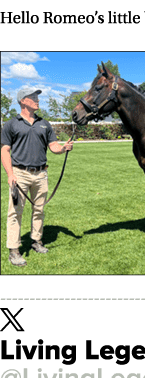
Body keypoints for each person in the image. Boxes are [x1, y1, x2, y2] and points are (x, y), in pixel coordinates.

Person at [1, 86, 73, 267]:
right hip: (19, 175)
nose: (37, 99)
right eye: (33, 97)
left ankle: (36, 241)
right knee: (15, 213)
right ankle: (14, 250)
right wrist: (10, 174)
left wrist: (63, 148)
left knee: (39, 210)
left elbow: (53, 146)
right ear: (23, 100)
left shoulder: (44, 124)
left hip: (41, 174)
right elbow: (4, 150)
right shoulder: (11, 124)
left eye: (37, 97)